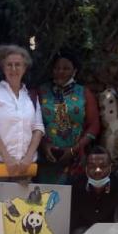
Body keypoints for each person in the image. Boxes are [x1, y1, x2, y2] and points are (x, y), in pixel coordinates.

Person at [0, 44, 45, 201]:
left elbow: (38, 128)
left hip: (25, 164)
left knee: (21, 213)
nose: (13, 69)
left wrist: (28, 157)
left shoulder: (30, 96)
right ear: (3, 68)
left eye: (18, 65)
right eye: (9, 65)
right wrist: (7, 158)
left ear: (25, 68)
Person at [36, 49, 100, 183]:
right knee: (45, 199)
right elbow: (32, 123)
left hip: (74, 158)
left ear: (74, 71)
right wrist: (44, 145)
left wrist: (74, 149)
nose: (60, 71)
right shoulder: (42, 91)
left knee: (70, 199)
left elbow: (94, 125)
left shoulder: (83, 93)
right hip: (46, 158)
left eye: (66, 68)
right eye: (57, 68)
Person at [68, 145, 118, 234]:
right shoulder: (77, 185)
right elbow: (75, 223)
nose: (97, 170)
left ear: (111, 167)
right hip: (86, 232)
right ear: (86, 168)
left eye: (103, 166)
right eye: (92, 166)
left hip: (111, 233)